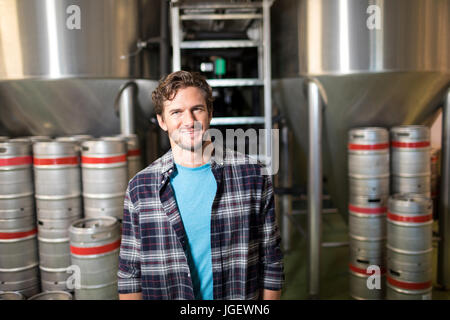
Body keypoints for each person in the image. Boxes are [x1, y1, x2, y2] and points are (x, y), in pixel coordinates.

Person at [118, 70, 284, 300]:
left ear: (210, 113)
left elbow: (271, 260)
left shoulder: (252, 176)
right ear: (162, 121)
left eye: (197, 109)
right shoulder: (141, 188)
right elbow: (129, 274)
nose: (189, 121)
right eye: (176, 112)